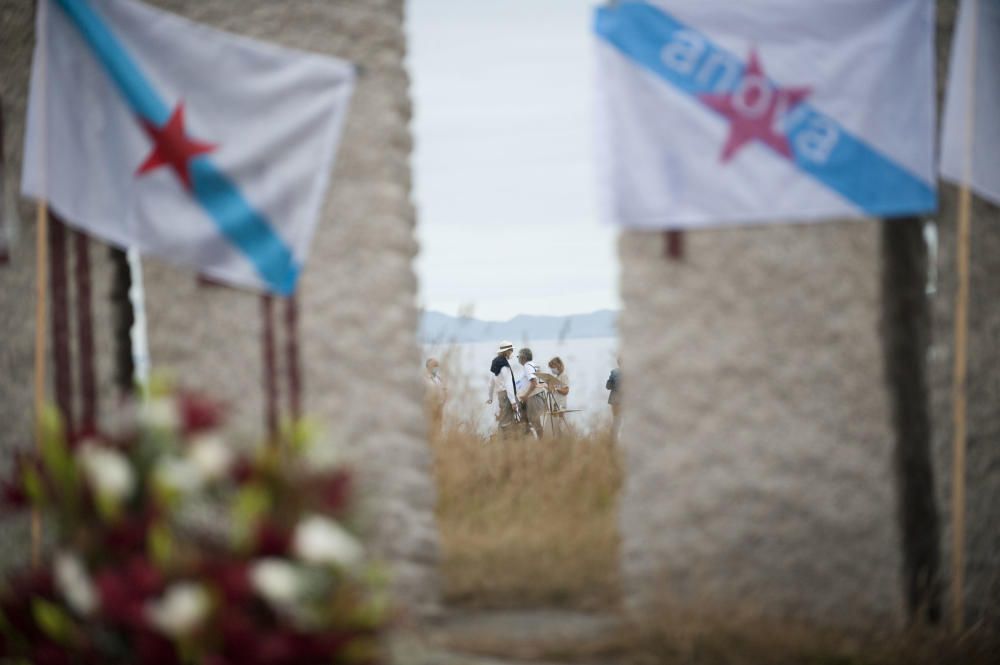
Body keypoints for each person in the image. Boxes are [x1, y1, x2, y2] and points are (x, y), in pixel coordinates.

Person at [487, 341, 520, 439]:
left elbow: (490, 384)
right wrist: (513, 402)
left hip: (500, 395)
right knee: (507, 420)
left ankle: (500, 439)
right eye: (511, 350)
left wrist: (490, 397)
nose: (512, 352)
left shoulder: (495, 363)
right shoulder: (504, 366)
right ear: (506, 352)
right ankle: (505, 441)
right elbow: (508, 384)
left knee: (502, 418)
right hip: (506, 395)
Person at [517, 347, 547, 438]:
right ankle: (529, 441)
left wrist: (526, 395)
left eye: (518, 357)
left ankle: (540, 443)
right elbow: (542, 382)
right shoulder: (534, 365)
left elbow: (534, 383)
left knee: (535, 422)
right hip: (538, 397)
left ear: (523, 357)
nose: (518, 359)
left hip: (533, 398)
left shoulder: (527, 366)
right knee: (525, 421)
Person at [547, 356, 571, 436]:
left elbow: (566, 391)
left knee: (561, 427)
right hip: (555, 405)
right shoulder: (557, 377)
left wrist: (556, 389)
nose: (552, 370)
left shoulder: (564, 376)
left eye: (553, 367)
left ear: (558, 366)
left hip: (561, 405)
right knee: (555, 427)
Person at [424, 357, 447, 435]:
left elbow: (444, 390)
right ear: (428, 367)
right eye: (434, 365)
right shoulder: (424, 379)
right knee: (430, 427)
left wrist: (443, 401)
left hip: (440, 407)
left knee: (439, 427)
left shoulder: (439, 379)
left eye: (437, 365)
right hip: (430, 408)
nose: (436, 367)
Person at [606, 357, 622, 442]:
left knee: (616, 421)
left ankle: (613, 440)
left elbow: (608, 386)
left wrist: (614, 385)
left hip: (615, 401)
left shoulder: (614, 372)